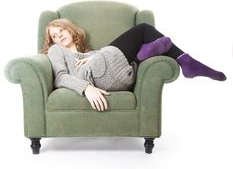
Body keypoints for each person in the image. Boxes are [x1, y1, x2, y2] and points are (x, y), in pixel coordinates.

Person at [43, 19, 226, 112]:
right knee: (144, 29)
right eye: (54, 36)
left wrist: (95, 55)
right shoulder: (56, 52)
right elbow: (60, 77)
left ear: (70, 29)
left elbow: (102, 60)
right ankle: (185, 61)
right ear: (52, 42)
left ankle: (141, 56)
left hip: (122, 78)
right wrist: (86, 89)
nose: (59, 36)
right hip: (93, 77)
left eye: (61, 30)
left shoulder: (90, 52)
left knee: (107, 53)